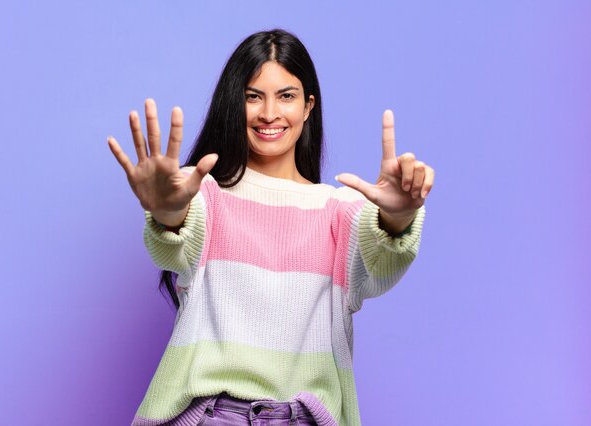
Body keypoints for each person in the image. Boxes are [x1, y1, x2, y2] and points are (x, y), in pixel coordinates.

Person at [108, 29, 434, 426]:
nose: (268, 113)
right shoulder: (204, 194)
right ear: (235, 102)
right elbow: (174, 241)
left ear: (308, 106)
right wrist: (166, 213)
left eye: (286, 96)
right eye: (252, 96)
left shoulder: (339, 210)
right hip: (213, 415)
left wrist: (398, 218)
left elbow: (381, 262)